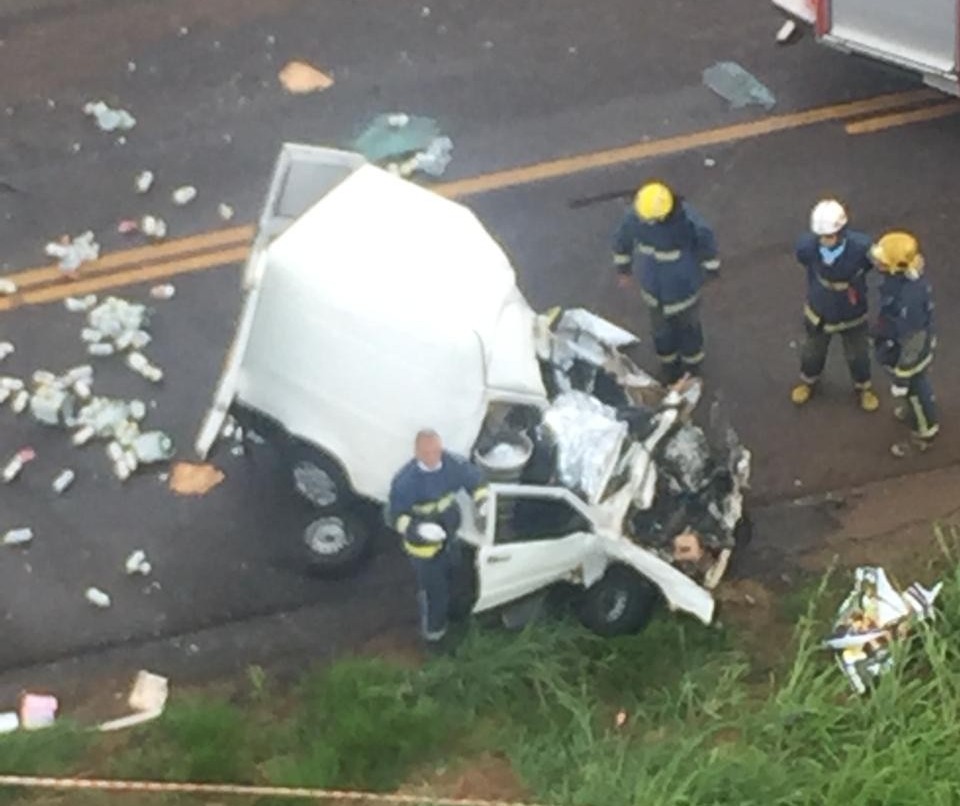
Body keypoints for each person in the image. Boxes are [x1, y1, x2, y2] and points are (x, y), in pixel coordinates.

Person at [388, 429, 489, 647]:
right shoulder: (405, 481)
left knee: (456, 579)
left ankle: (454, 616)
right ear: (417, 453)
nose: (434, 458)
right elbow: (394, 516)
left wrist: (482, 502)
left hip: (450, 537)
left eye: (436, 451)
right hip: (424, 550)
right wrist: (418, 529)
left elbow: (475, 480)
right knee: (436, 594)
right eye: (428, 453)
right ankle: (435, 638)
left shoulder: (451, 464)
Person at [612, 180, 719, 383]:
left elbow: (706, 242)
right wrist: (623, 270)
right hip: (655, 289)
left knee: (689, 329)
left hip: (682, 291)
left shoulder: (688, 222)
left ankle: (692, 368)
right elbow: (622, 240)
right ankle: (669, 367)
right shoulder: (638, 216)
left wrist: (711, 271)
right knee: (661, 331)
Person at [791, 199, 879, 411]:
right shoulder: (807, 246)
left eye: (829, 236)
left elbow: (873, 264)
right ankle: (808, 380)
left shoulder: (862, 247)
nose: (824, 241)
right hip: (820, 308)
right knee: (812, 351)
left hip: (852, 309)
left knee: (858, 353)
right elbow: (804, 259)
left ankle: (863, 387)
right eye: (821, 236)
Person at [870, 231, 938, 457]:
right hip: (896, 345)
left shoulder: (909, 297)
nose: (877, 261)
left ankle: (923, 433)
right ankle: (915, 413)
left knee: (916, 393)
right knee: (913, 392)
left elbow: (913, 339)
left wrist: (903, 374)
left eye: (883, 259)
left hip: (908, 356)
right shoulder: (902, 282)